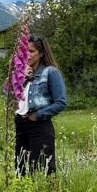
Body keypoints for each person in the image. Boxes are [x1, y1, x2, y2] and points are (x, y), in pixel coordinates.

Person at [14, 35, 67, 175]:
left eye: (31, 51)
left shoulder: (50, 72)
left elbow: (61, 102)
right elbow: (9, 95)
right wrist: (21, 77)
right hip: (20, 126)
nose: (27, 55)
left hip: (39, 126)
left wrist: (36, 116)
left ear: (42, 53)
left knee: (42, 170)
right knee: (21, 170)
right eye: (24, 51)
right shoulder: (21, 73)